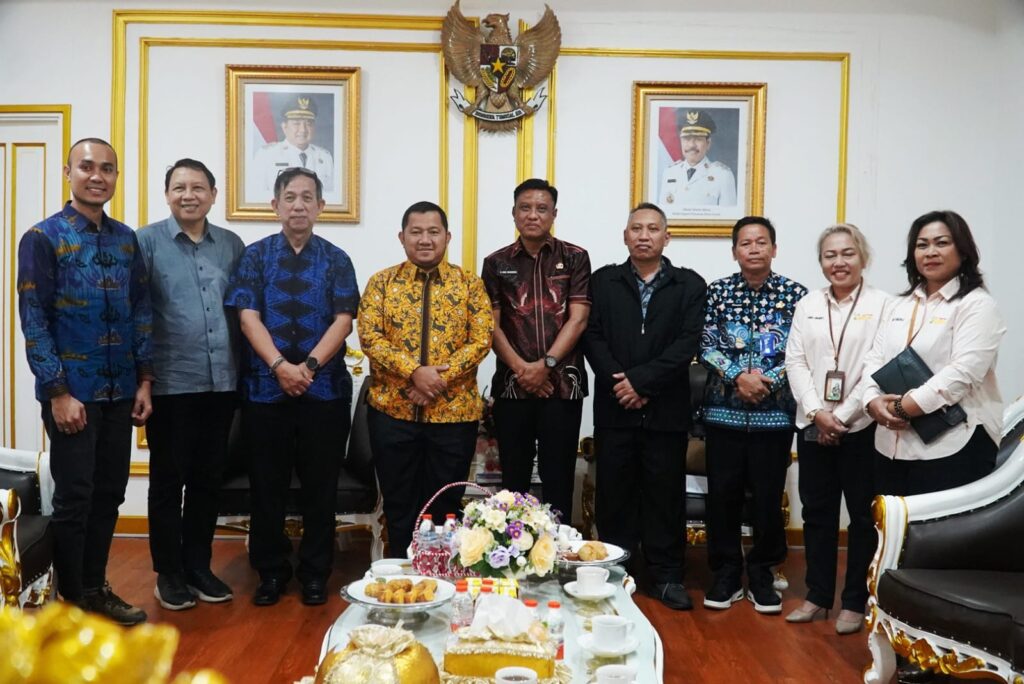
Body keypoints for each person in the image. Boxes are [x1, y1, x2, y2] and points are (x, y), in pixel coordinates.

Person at [862, 210, 1005, 684]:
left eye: (941, 242)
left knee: (939, 556)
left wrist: (906, 405)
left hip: (953, 445)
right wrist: (872, 402)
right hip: (891, 444)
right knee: (894, 549)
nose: (930, 252)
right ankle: (899, 643)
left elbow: (963, 373)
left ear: (962, 249)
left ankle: (943, 655)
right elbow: (873, 362)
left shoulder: (977, 305)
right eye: (922, 244)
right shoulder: (899, 305)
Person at [17, 137, 153, 625]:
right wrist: (57, 391)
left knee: (110, 493)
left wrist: (145, 380)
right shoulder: (43, 237)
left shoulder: (125, 240)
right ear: (68, 172)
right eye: (87, 167)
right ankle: (71, 601)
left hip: (121, 391)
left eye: (107, 168)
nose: (98, 176)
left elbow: (141, 311)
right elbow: (34, 320)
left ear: (116, 177)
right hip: (72, 393)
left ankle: (95, 587)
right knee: (75, 497)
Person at [225, 167, 359, 607]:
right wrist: (281, 366)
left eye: (307, 197)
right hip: (265, 392)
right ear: (275, 205)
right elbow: (247, 317)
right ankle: (271, 572)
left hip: (325, 393)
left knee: (321, 487)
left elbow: (343, 320)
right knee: (268, 487)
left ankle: (316, 573)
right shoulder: (255, 257)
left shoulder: (337, 259)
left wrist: (309, 367)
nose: (298, 205)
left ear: (321, 206)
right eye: (290, 197)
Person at [583, 203, 707, 610]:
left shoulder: (689, 284)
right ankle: (614, 574)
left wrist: (642, 383)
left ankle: (666, 576)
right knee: (614, 494)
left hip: (665, 411)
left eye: (653, 229)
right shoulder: (603, 281)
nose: (644, 235)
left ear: (666, 237)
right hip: (615, 408)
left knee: (664, 495)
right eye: (636, 228)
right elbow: (592, 337)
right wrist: (621, 383)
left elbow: (688, 344)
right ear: (625, 236)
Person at [136, 158, 245, 611]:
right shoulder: (145, 243)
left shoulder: (231, 245)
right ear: (166, 194)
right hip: (169, 383)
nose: (188, 195)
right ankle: (169, 573)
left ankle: (199, 566)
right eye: (179, 187)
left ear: (213, 195)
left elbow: (242, 312)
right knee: (168, 481)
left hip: (222, 383)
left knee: (208, 480)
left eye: (198, 187)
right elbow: (137, 313)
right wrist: (143, 379)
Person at [358, 201, 493, 555]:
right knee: (399, 504)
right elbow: (370, 338)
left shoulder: (469, 284)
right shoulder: (381, 283)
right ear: (401, 237)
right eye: (416, 232)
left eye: (433, 231)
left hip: (454, 417)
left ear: (447, 237)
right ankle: (401, 573)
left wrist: (435, 381)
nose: (425, 239)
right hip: (392, 414)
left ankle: (442, 575)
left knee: (446, 506)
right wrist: (414, 374)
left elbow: (481, 340)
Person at [784, 224, 889, 634]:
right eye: (830, 255)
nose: (839, 262)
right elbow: (795, 362)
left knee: (862, 517)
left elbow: (878, 368)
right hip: (813, 425)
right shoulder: (808, 304)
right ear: (821, 261)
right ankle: (817, 596)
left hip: (862, 427)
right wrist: (817, 412)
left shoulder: (884, 305)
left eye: (848, 253)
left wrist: (841, 416)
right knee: (817, 514)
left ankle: (854, 602)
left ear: (863, 257)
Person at [699, 215, 807, 615]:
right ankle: (726, 573)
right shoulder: (718, 292)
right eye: (746, 243)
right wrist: (737, 376)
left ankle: (763, 573)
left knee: (766, 498)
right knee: (722, 497)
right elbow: (705, 344)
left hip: (774, 417)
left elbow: (800, 351)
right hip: (723, 414)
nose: (754, 249)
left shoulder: (796, 295)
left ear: (774, 249)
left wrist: (768, 381)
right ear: (734, 252)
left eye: (761, 242)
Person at [482, 178, 591, 522]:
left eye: (541, 208)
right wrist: (523, 370)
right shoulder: (496, 263)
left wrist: (546, 365)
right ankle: (511, 546)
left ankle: (558, 546)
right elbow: (491, 326)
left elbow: (578, 319)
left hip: (563, 385)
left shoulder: (575, 258)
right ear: (514, 213)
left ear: (554, 214)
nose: (533, 215)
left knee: (558, 476)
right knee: (513, 480)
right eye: (525, 208)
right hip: (513, 386)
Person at [251, 95, 334, 196]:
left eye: (308, 123)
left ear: (314, 127)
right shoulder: (266, 155)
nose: (303, 129)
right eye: (296, 123)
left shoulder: (325, 157)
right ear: (284, 127)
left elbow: (331, 197)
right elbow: (257, 196)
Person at [658, 109, 737, 208]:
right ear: (681, 142)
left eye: (698, 139)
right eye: (686, 139)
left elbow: (728, 215)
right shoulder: (669, 173)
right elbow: (662, 213)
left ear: (708, 143)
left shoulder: (723, 175)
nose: (691, 145)